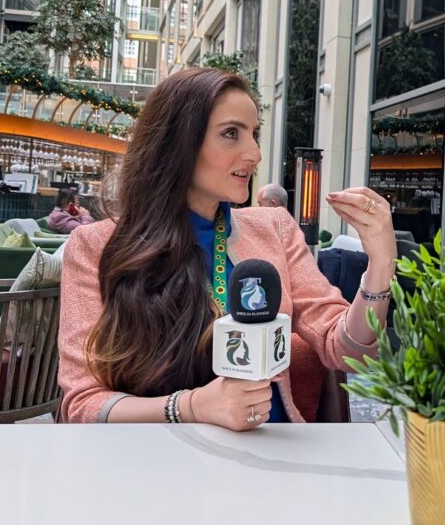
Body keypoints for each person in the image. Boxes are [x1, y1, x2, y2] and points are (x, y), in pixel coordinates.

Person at [57, 67, 397, 428]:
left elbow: (347, 350)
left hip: (274, 454)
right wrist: (192, 407)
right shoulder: (95, 247)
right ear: (178, 144)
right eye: (231, 134)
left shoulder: (275, 229)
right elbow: (83, 405)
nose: (254, 153)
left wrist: (380, 265)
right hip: (158, 464)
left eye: (255, 134)